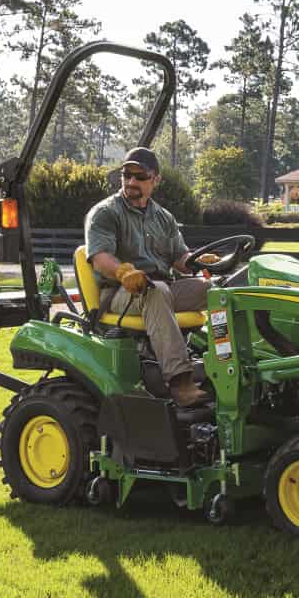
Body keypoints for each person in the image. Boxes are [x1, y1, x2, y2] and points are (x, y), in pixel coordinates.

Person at [83, 146, 218, 408]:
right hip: (123, 292)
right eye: (126, 175)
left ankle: (228, 364)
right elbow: (100, 259)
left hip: (163, 286)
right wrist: (124, 271)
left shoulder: (163, 217)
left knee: (215, 290)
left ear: (155, 179)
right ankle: (180, 382)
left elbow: (181, 259)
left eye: (140, 176)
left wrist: (200, 261)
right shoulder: (105, 213)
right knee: (155, 291)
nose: (131, 182)